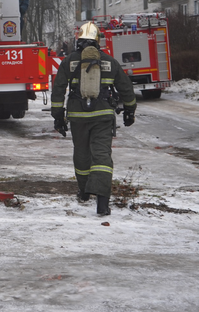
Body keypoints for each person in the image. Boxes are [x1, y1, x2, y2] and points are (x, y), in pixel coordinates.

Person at [50, 21, 137, 216]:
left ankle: (83, 193)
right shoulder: (110, 62)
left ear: (78, 39)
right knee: (102, 156)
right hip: (103, 117)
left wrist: (58, 117)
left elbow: (58, 91)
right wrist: (130, 110)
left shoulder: (69, 61)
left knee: (81, 155)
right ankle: (103, 204)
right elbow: (126, 88)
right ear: (98, 40)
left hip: (78, 117)